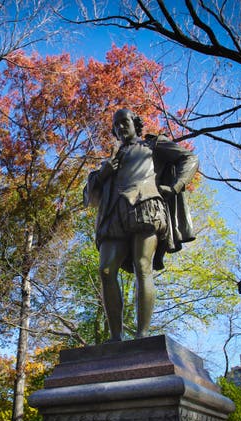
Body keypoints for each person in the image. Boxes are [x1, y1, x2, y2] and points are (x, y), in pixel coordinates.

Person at [83, 108, 199, 342]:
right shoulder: (110, 161)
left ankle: (142, 335)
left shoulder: (152, 146)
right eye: (116, 125)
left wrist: (175, 186)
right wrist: (103, 173)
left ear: (135, 123)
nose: (120, 128)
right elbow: (89, 197)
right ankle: (116, 338)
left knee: (142, 266)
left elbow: (189, 158)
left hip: (145, 207)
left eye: (124, 122)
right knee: (106, 271)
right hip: (113, 214)